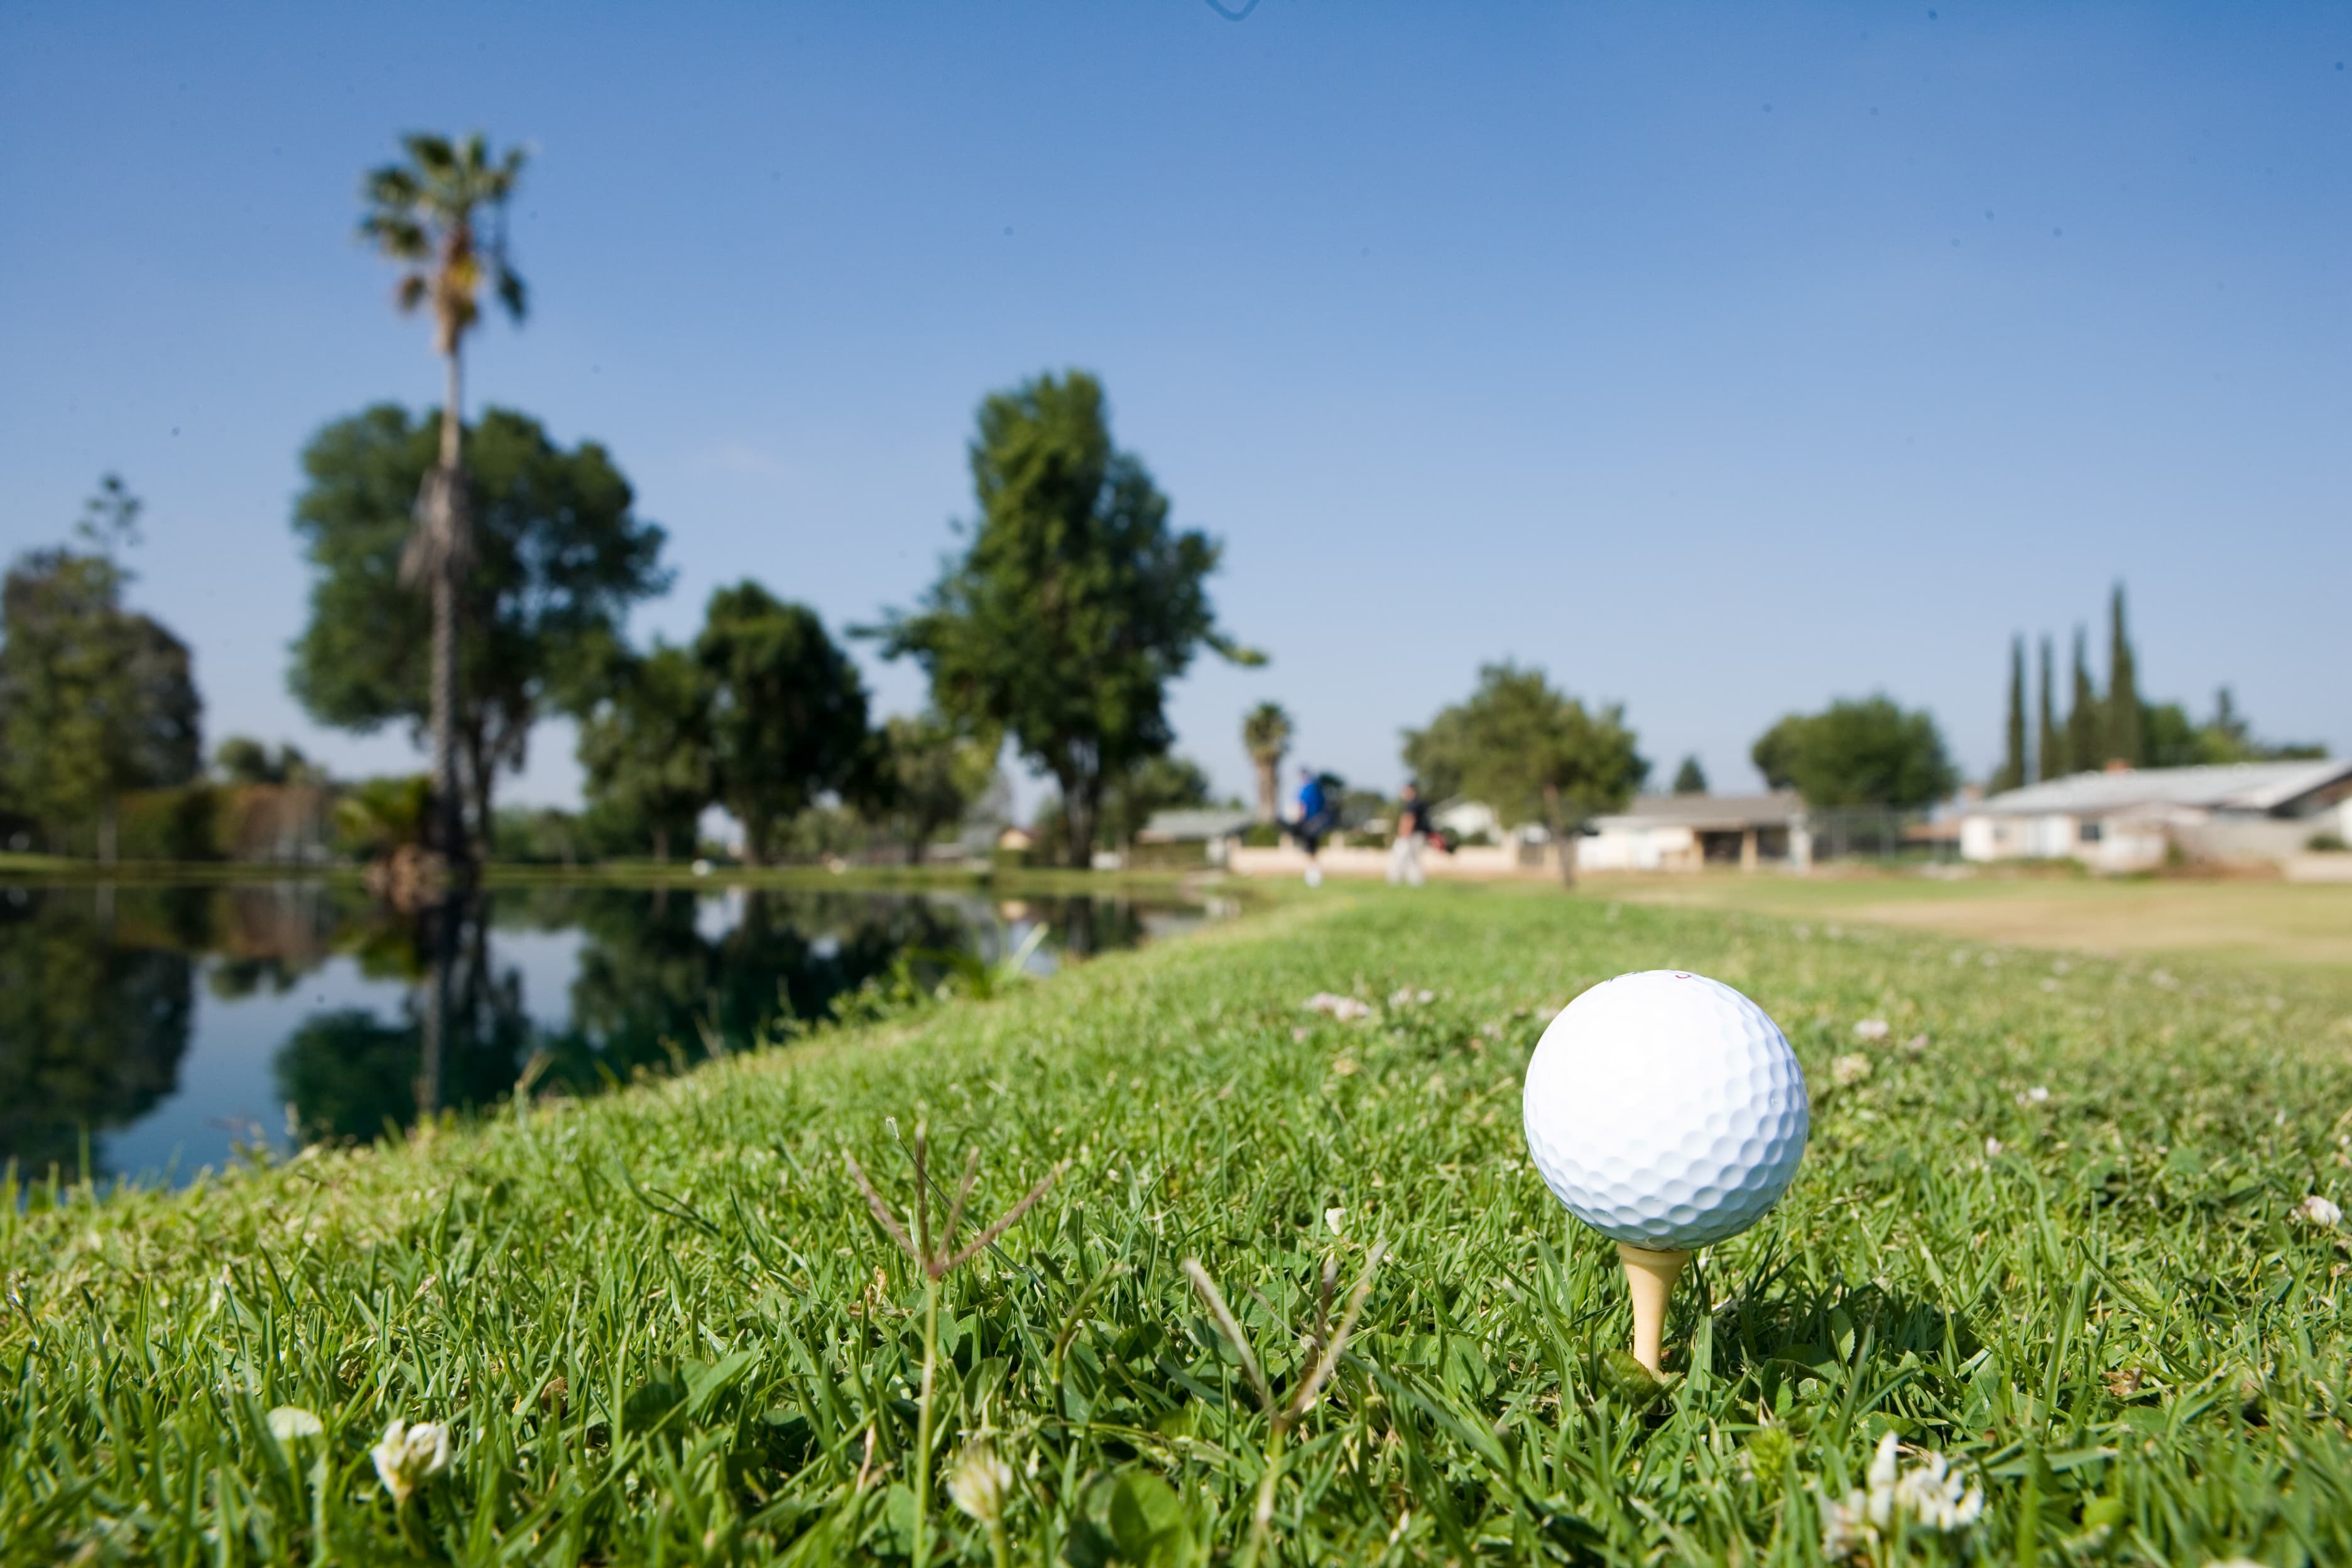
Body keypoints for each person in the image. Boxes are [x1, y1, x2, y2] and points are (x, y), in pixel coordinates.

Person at [1293, 767, 1334, 886]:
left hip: (1310, 824)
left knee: (1310, 850)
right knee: (1313, 850)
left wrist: (1298, 821)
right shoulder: (1318, 788)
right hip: (1319, 822)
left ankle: (1313, 873)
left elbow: (1302, 807)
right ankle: (1314, 872)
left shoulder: (1306, 790)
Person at [1388, 781, 1430, 887]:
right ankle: (1415, 882)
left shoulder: (1414, 804)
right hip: (1417, 835)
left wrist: (1404, 835)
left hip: (1412, 836)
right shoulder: (1416, 804)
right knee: (1412, 859)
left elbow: (1409, 820)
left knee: (1403, 857)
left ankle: (1396, 880)